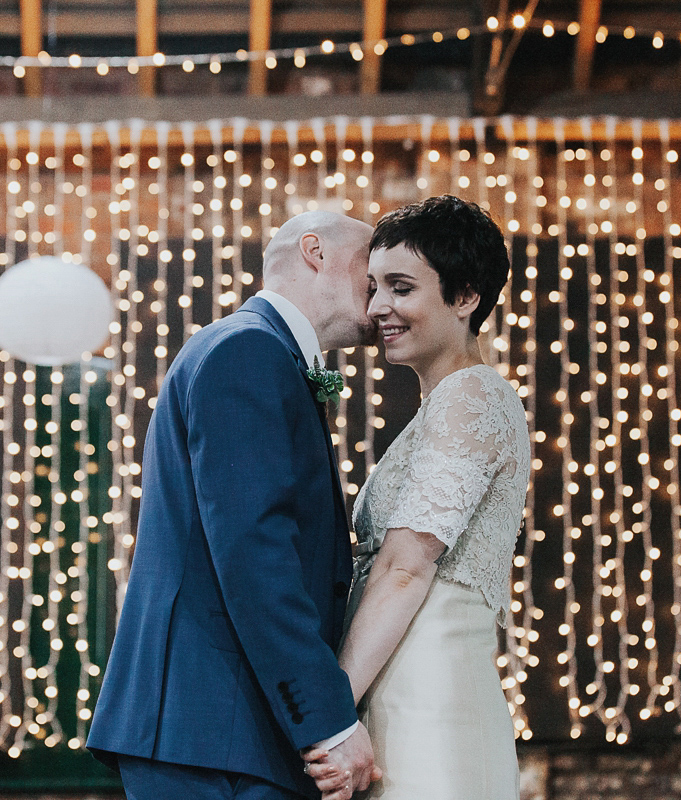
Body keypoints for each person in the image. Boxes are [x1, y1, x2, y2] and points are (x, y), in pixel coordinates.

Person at [87, 211, 382, 799]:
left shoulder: (255, 350)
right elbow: (255, 552)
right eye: (368, 265)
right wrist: (328, 718)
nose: (377, 286)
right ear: (315, 252)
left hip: (224, 728)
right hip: (214, 729)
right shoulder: (248, 350)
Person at [303, 195, 531, 800]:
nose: (378, 308)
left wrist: (328, 714)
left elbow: (406, 568)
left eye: (400, 288)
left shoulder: (471, 397)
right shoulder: (449, 403)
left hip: (430, 705)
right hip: (403, 692)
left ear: (465, 297)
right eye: (373, 287)